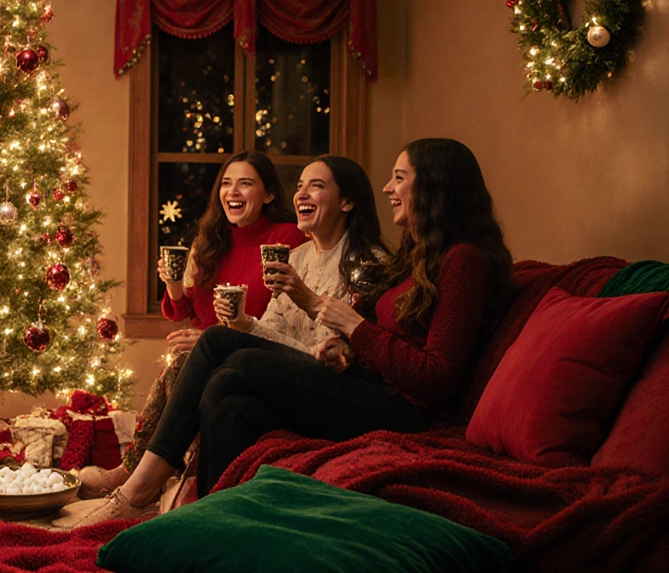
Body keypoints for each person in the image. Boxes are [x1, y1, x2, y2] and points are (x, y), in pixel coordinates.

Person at [77, 139, 512, 525]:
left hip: (404, 409)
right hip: (367, 383)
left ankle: (138, 491)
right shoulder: (414, 257)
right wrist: (346, 348)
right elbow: (383, 338)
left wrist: (353, 328)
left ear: (435, 186)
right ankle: (211, 523)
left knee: (222, 348)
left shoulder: (463, 261)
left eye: (399, 178)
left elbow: (436, 378)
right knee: (231, 399)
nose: (388, 188)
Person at [78, 155, 380, 501]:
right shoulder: (228, 242)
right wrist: (197, 300)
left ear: (268, 194)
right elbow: (198, 314)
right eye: (226, 183)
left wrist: (237, 327)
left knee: (209, 349)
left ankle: (137, 482)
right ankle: (197, 499)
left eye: (245, 183)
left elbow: (336, 347)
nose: (233, 191)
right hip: (239, 353)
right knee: (218, 386)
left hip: (306, 377)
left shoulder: (297, 245)